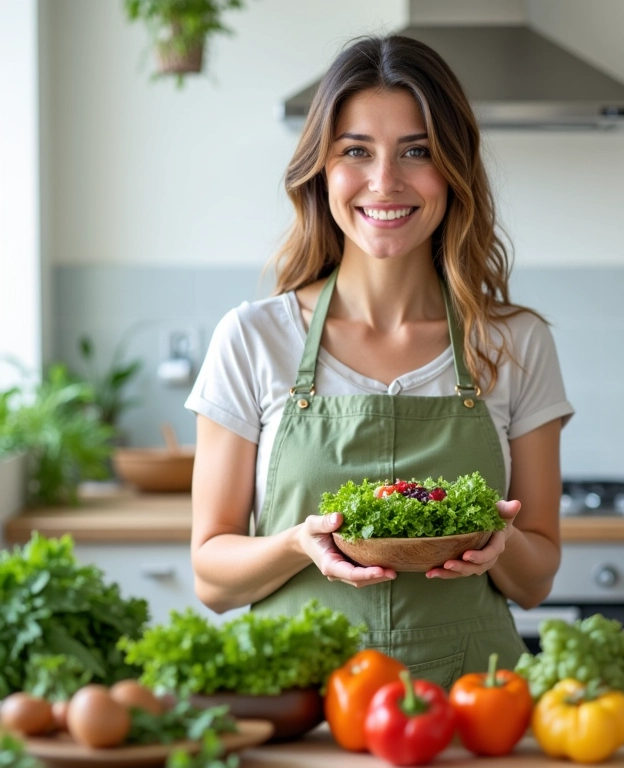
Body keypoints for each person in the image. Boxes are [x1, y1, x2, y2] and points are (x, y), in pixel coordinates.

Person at [185, 34, 574, 686]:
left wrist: (500, 548)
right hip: (301, 709)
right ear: (322, 170)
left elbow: (535, 582)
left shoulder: (514, 341)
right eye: (356, 151)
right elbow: (212, 579)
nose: (385, 182)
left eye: (416, 152)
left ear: (453, 169)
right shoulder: (254, 338)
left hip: (472, 712)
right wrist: (294, 545)